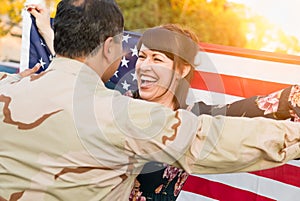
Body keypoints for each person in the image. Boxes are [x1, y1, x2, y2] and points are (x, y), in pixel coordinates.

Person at [1, 1, 300, 200]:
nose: (142, 65)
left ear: (183, 69)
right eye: (141, 56)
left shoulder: (197, 116)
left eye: (158, 58)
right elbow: (76, 68)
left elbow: (271, 105)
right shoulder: (117, 107)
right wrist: (45, 31)